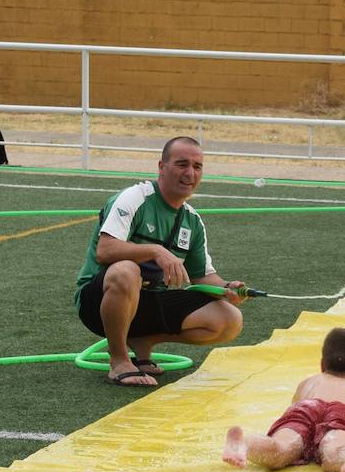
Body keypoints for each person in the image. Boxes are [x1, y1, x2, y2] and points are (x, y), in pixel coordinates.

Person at [74, 136, 248, 387]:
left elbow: (202, 276)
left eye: (197, 167)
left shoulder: (192, 221)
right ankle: (119, 359)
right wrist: (155, 251)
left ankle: (143, 342)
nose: (190, 173)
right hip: (98, 300)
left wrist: (228, 287)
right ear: (161, 167)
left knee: (230, 319)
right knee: (126, 271)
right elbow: (105, 250)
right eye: (182, 164)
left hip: (149, 301)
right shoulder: (134, 198)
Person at [222, 326, 345, 472]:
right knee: (333, 450)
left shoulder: (309, 382)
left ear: (322, 364)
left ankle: (245, 444)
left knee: (281, 448)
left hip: (306, 408)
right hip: (342, 415)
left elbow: (293, 411)